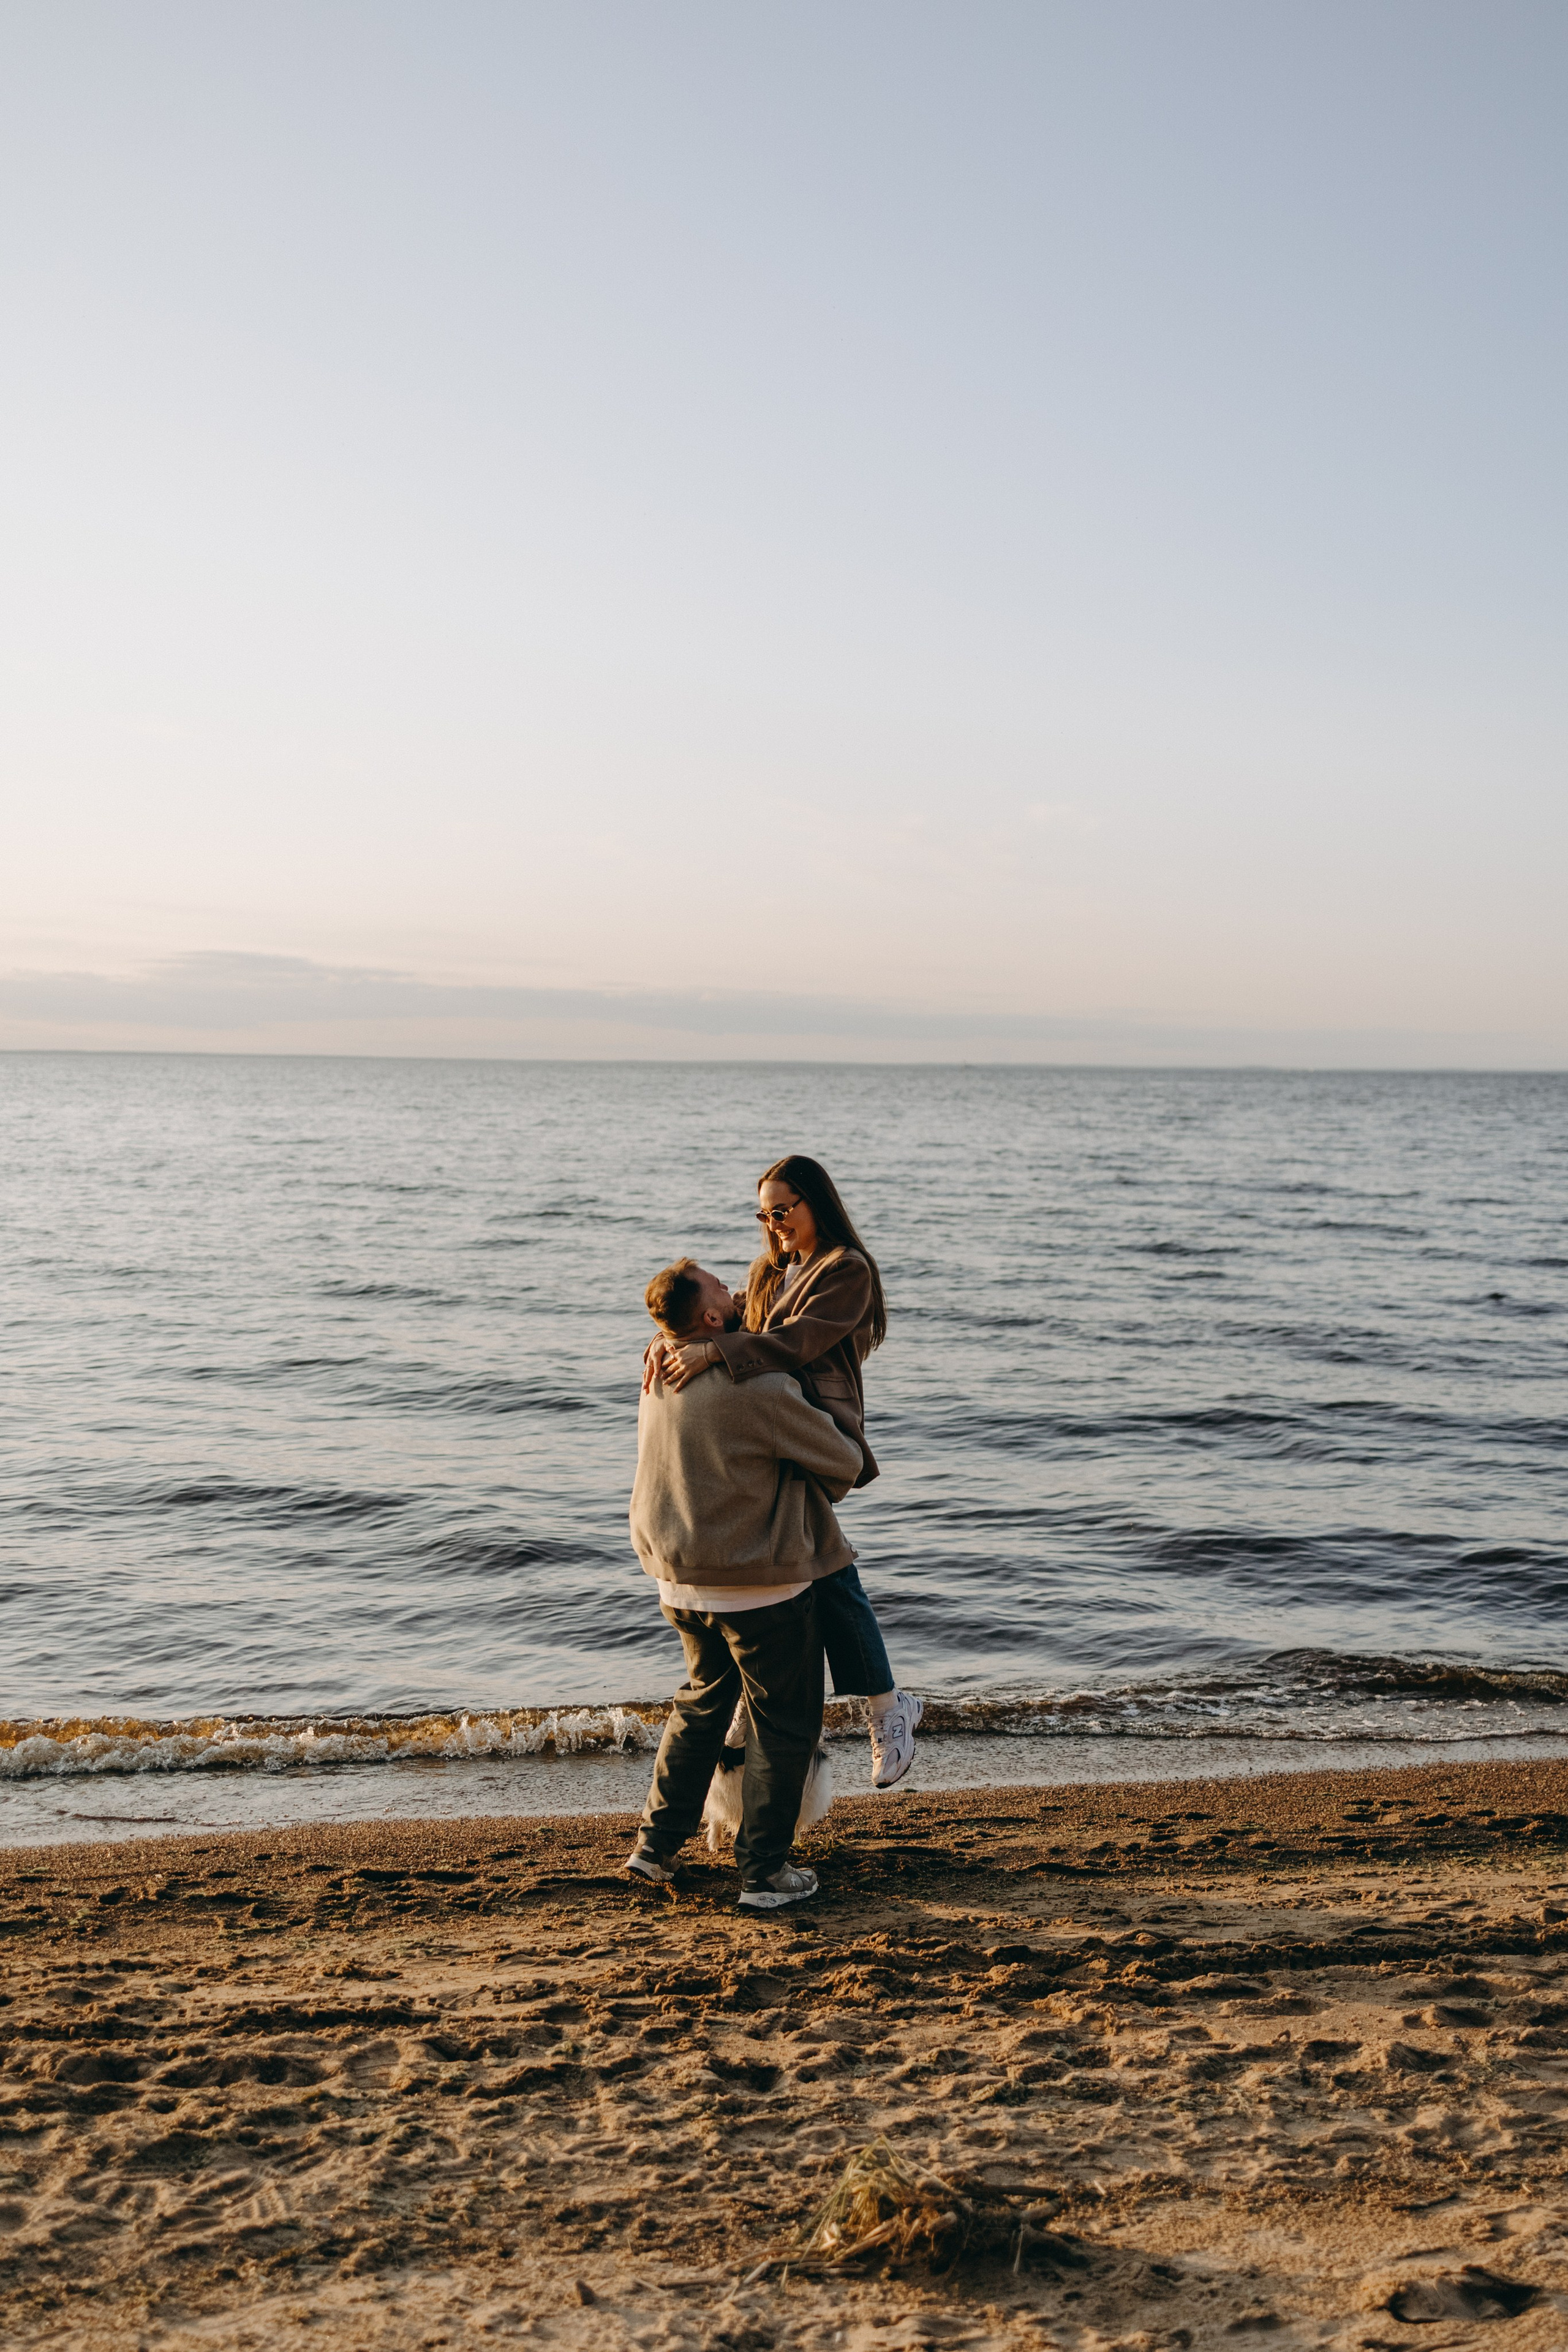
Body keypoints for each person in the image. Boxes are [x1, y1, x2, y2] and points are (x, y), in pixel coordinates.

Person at [644, 1155, 922, 1789]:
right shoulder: (771, 1269)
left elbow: (797, 1341)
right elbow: (727, 1317)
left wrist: (714, 1348)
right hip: (769, 1429)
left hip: (815, 1426)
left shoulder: (846, 1270)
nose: (772, 1225)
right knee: (821, 1563)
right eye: (763, 1214)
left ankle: (884, 1711)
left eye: (782, 1210)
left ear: (814, 1204)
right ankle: (881, 1706)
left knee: (825, 1563)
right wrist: (668, 1340)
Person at [626, 1257, 864, 1912]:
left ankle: (653, 1847)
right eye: (719, 1288)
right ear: (709, 1319)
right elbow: (843, 1462)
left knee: (700, 1706)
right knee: (782, 1723)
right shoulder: (757, 1391)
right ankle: (764, 1872)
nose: (734, 1289)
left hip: (676, 1578)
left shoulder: (655, 1366)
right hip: (755, 1583)